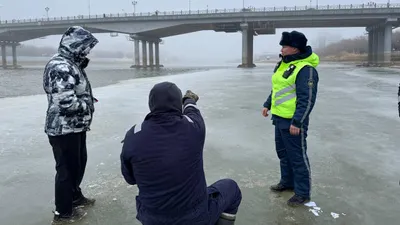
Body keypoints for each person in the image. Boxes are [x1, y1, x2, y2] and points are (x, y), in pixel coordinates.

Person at [120, 82, 242, 225]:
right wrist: (188, 99)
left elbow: (130, 179)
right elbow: (193, 111)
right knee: (231, 188)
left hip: (152, 219)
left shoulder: (133, 135)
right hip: (194, 217)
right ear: (178, 104)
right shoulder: (193, 127)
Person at [43, 26, 99, 224]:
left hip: (75, 127)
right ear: (75, 45)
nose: (87, 51)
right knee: (66, 170)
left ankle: (75, 196)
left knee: (78, 164)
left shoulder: (71, 64)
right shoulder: (60, 66)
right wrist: (87, 104)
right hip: (62, 128)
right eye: (85, 47)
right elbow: (66, 102)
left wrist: (87, 99)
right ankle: (63, 212)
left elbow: (74, 91)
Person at [262, 30, 319, 207]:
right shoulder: (283, 65)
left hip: (293, 122)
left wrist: (298, 121)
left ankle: (302, 192)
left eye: (285, 46)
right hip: (279, 118)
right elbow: (277, 88)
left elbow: (307, 99)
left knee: (297, 156)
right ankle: (287, 182)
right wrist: (267, 104)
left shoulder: (306, 69)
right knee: (283, 154)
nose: (282, 48)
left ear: (295, 49)